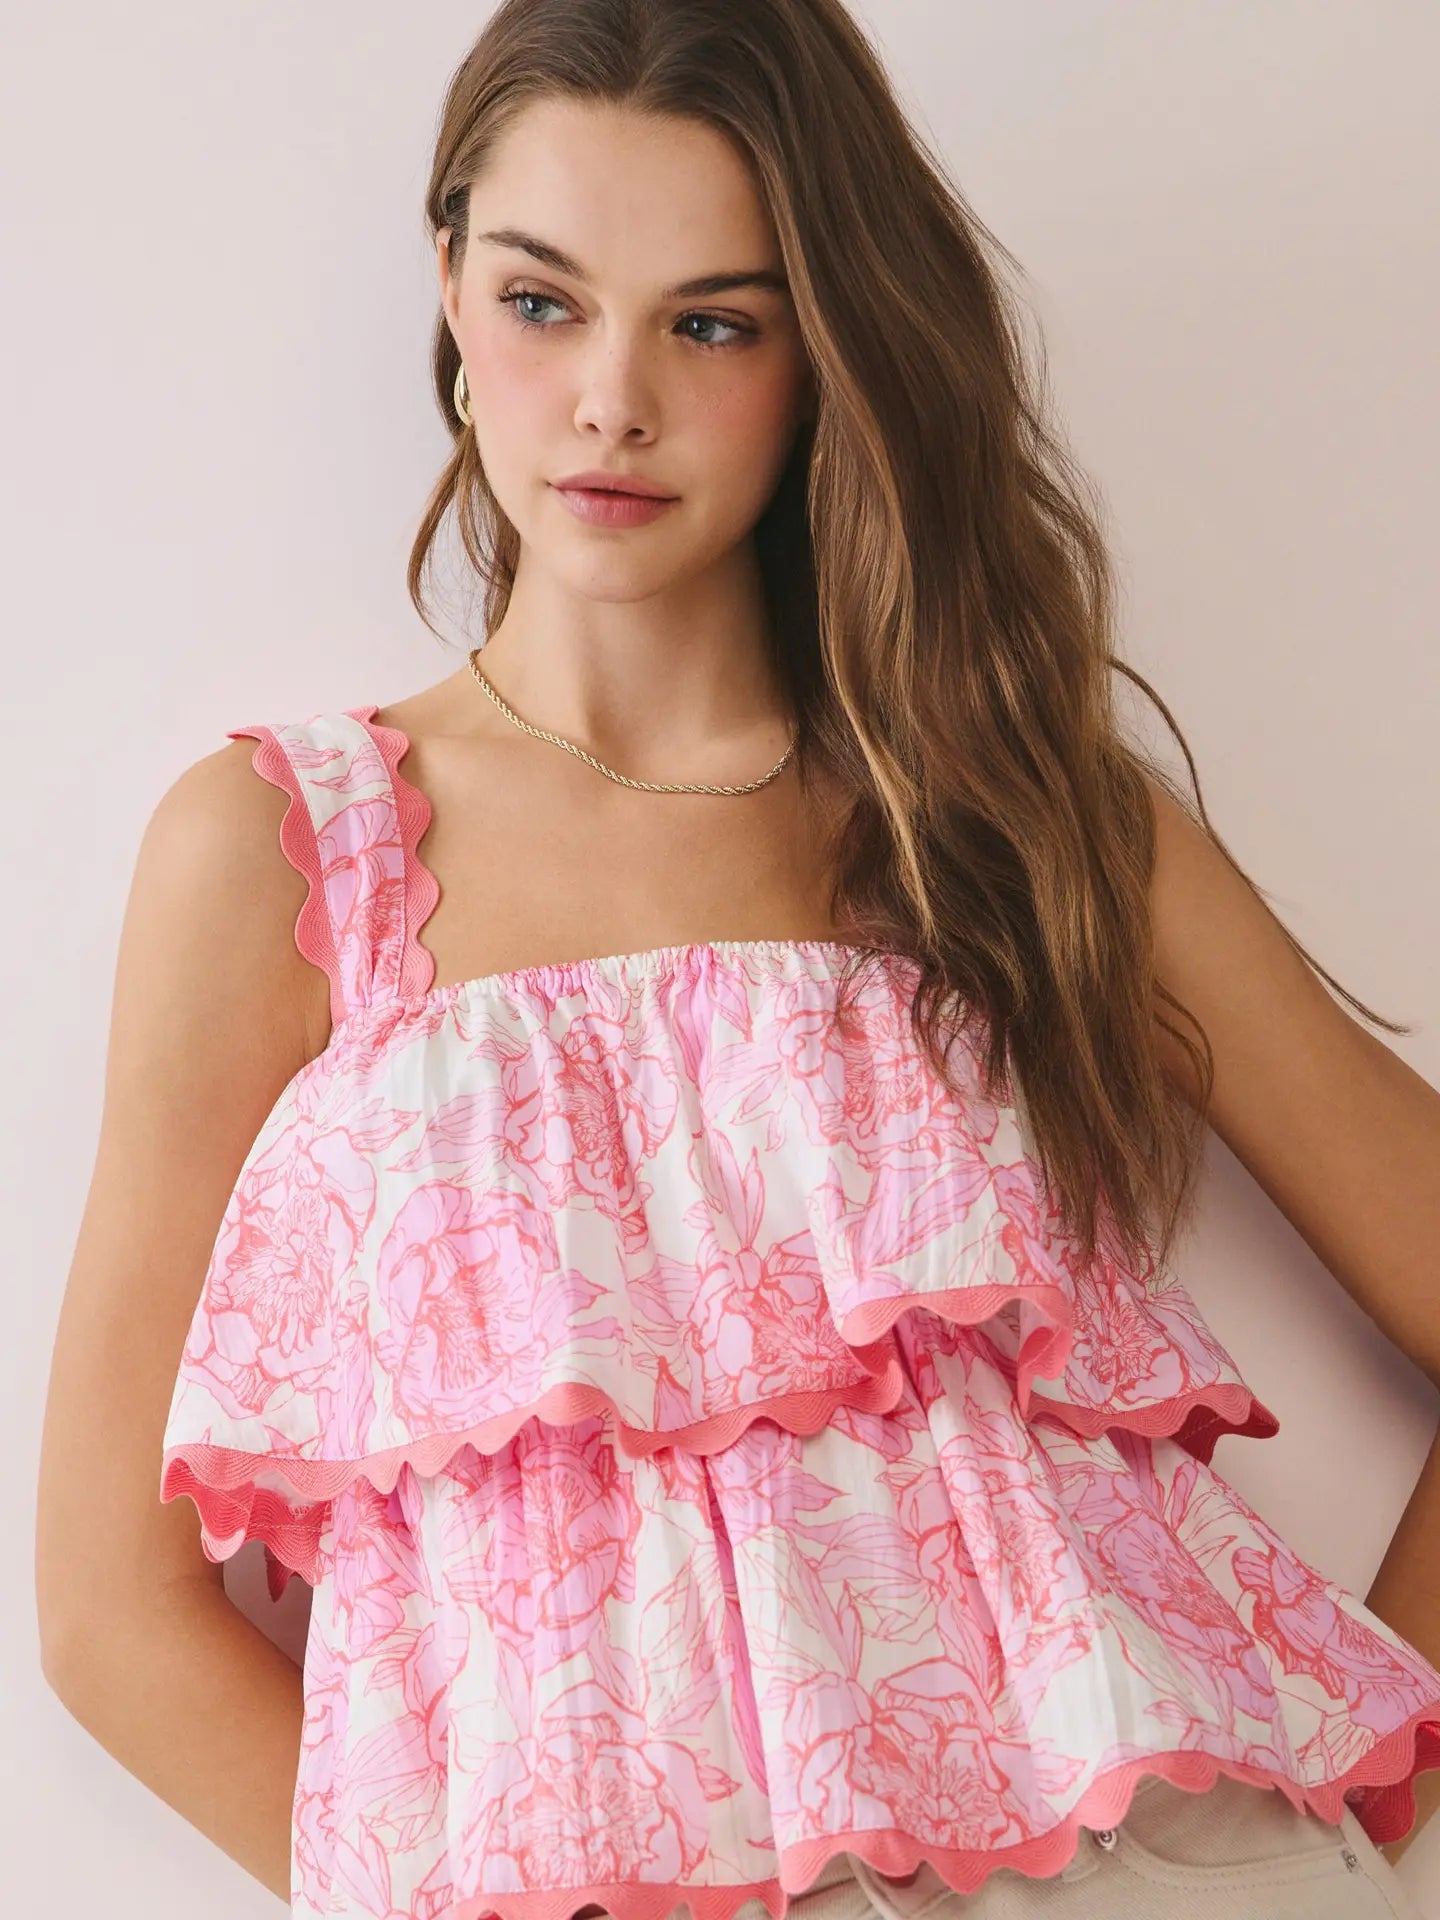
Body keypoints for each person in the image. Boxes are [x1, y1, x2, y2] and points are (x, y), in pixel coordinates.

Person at [34, 2, 1440, 1917]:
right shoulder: (289, 857)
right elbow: (111, 1611)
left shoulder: (1009, 819)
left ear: (820, 355)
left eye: (712, 322)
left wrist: (1358, 1804)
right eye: (544, 301)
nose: (611, 400)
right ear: (448, 285)